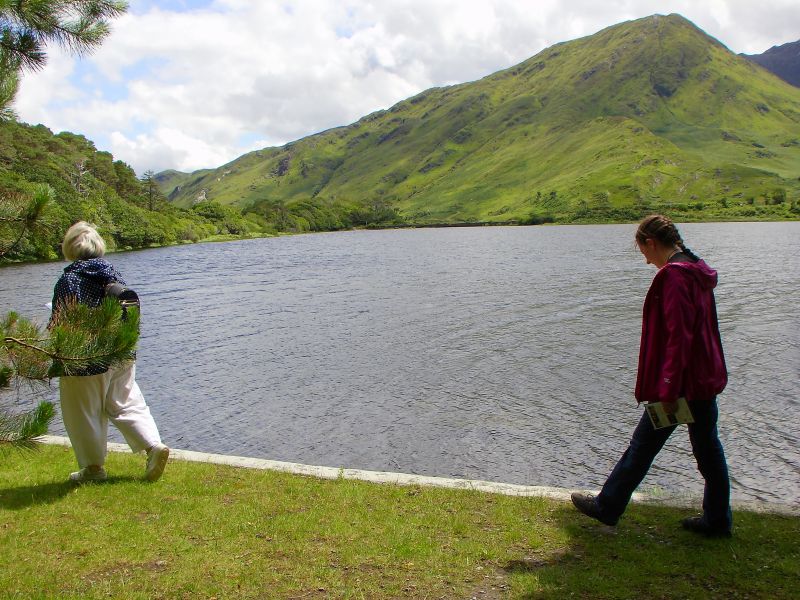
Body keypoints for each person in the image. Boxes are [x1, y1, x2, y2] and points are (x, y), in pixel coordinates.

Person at [571, 214, 732, 537]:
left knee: (643, 446)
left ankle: (607, 506)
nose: (645, 260)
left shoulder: (674, 277)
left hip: (680, 385)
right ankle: (717, 520)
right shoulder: (698, 272)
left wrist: (668, 388)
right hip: (703, 379)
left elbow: (678, 337)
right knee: (708, 451)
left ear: (651, 243)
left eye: (643, 251)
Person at [50, 221, 169, 483]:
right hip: (122, 352)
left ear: (69, 247)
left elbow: (62, 322)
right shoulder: (112, 274)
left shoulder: (69, 279)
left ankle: (93, 469)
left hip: (86, 357)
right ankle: (153, 447)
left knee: (83, 411)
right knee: (127, 402)